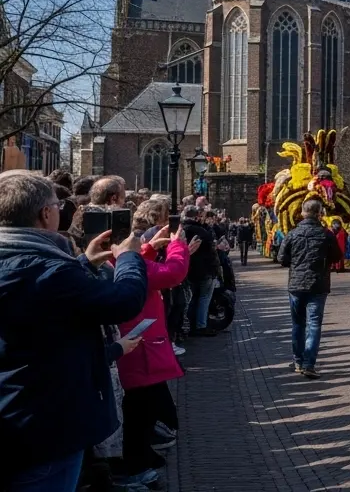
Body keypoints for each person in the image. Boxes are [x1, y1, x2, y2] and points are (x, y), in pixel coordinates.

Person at [0, 171, 149, 491]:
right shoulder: (49, 269)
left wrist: (86, 265)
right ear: (45, 213)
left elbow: (37, 301)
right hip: (45, 421)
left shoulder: (31, 265)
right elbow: (123, 302)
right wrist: (129, 259)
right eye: (56, 204)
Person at [114, 224, 193, 484]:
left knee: (141, 411)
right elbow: (172, 273)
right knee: (140, 414)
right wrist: (178, 246)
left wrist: (147, 249)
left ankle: (139, 460)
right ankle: (135, 467)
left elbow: (136, 268)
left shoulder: (118, 262)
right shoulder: (127, 265)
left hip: (137, 345)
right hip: (139, 348)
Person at [278, 199, 342, 378]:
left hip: (297, 284)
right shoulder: (326, 234)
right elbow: (337, 256)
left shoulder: (292, 234)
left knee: (298, 324)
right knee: (314, 325)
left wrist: (296, 263)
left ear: (302, 213)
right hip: (318, 284)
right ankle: (308, 363)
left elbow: (282, 258)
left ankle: (298, 360)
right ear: (320, 213)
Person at [182, 205, 220, 338]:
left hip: (189, 270)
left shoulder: (180, 230)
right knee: (204, 297)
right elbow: (212, 250)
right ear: (197, 216)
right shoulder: (201, 231)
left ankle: (192, 324)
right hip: (204, 270)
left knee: (193, 298)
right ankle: (201, 325)